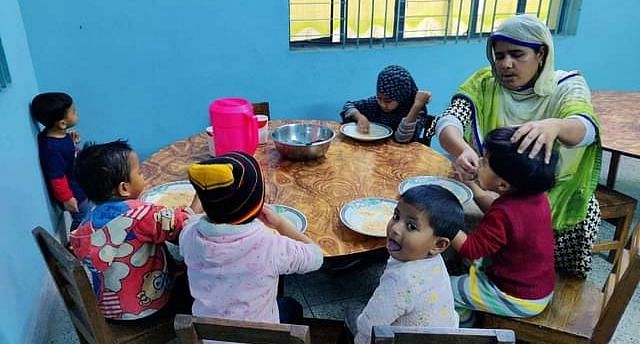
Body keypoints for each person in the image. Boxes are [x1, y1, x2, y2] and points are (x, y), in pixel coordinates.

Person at [433, 14, 602, 277]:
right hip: (495, 180)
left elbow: (586, 128)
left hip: (551, 190)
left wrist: (556, 126)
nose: (506, 64)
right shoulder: (485, 83)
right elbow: (449, 120)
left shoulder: (567, 86)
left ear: (541, 54)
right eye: (499, 56)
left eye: (517, 54)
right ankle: (477, 272)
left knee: (584, 210)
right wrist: (463, 149)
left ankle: (542, 280)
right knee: (447, 196)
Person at [179, 151, 323, 324]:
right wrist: (280, 224)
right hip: (262, 336)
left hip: (209, 336)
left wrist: (201, 201)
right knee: (292, 307)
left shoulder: (189, 236)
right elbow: (316, 256)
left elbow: (190, 221)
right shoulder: (271, 245)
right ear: (257, 204)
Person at [70, 139, 201, 320]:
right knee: (191, 282)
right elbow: (179, 226)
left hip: (110, 309)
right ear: (124, 188)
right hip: (145, 308)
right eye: (139, 172)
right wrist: (194, 205)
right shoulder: (140, 214)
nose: (143, 177)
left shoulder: (90, 219)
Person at [450, 127, 558, 327]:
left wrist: (442, 219)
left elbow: (470, 249)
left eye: (485, 162)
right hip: (538, 285)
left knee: (445, 290)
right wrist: (472, 184)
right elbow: (503, 219)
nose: (479, 162)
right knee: (466, 268)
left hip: (515, 295)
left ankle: (466, 329)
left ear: (502, 186)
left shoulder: (504, 212)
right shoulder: (535, 196)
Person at [349, 185, 462, 344]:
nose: (395, 228)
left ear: (439, 245)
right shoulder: (433, 257)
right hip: (443, 336)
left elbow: (369, 327)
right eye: (396, 215)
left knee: (354, 314)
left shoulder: (401, 280)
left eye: (411, 226)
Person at [30, 92, 89, 230]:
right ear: (62, 123)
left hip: (77, 181)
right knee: (82, 216)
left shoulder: (54, 135)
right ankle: (75, 243)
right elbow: (57, 177)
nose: (77, 112)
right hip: (73, 191)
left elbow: (66, 154)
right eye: (73, 112)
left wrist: (71, 141)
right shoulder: (52, 149)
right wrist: (67, 198)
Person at [340, 65, 431, 143]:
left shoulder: (416, 112)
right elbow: (349, 106)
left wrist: (417, 106)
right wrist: (359, 117)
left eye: (388, 101)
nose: (382, 104)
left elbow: (402, 139)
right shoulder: (376, 104)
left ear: (401, 97)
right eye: (379, 98)